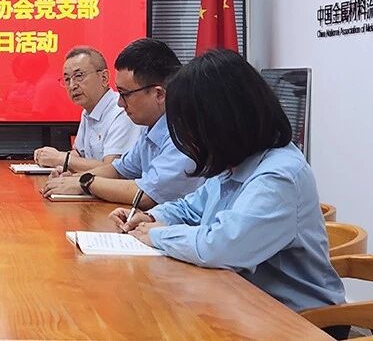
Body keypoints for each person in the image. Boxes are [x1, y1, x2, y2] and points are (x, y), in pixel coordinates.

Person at [112, 49, 346, 320]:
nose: (186, 139)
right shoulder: (235, 161)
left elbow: (220, 247)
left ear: (220, 122)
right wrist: (152, 217)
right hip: (242, 301)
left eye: (189, 127)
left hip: (300, 320)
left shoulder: (279, 176)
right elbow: (192, 207)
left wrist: (155, 234)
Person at [43, 39, 203, 206]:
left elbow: (145, 194)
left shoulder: (184, 134)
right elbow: (119, 170)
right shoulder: (152, 128)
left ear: (159, 94)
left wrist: (86, 183)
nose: (120, 103)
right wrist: (72, 179)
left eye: (125, 94)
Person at [33, 46, 140, 173]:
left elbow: (112, 169)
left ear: (104, 78)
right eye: (67, 79)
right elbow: (79, 153)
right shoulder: (88, 111)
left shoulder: (122, 111)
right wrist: (50, 158)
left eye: (79, 76)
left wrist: (61, 159)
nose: (72, 86)